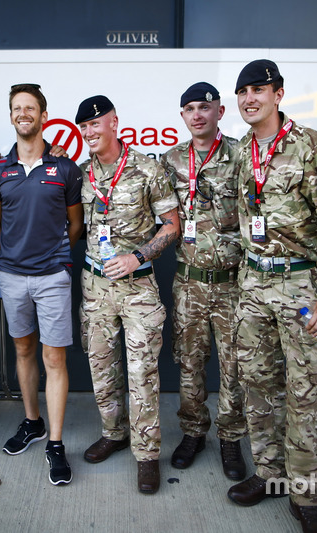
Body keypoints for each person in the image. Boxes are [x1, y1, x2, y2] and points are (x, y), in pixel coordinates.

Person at [227, 60, 317, 533]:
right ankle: (268, 473)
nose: (249, 99)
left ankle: (305, 497)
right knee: (257, 386)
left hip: (300, 285)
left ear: (278, 94)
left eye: (258, 89)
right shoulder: (242, 152)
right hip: (253, 284)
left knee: (303, 393)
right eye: (242, 92)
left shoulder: (309, 144)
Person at [76, 95, 181, 494]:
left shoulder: (147, 169)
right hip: (95, 287)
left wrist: (138, 256)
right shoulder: (81, 174)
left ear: (114, 122)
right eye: (83, 126)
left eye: (95, 123)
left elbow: (171, 226)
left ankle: (148, 454)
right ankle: (114, 433)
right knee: (101, 369)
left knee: (141, 374)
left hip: (137, 289)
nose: (89, 131)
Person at [0, 83, 84, 486]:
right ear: (10, 116)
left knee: (54, 359)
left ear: (44, 115)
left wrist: (56, 256)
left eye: (30, 108)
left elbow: (75, 223)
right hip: (11, 276)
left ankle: (56, 444)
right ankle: (32, 422)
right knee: (22, 348)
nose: (23, 113)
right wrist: (15, 255)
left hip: (52, 277)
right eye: (16, 108)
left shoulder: (64, 169)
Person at [159, 82, 247, 479]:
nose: (197, 114)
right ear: (182, 115)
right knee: (190, 364)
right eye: (190, 108)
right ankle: (193, 432)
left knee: (234, 367)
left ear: (219, 112)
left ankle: (230, 440)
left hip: (232, 284)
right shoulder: (169, 160)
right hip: (189, 284)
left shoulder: (241, 156)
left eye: (205, 107)